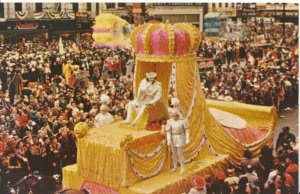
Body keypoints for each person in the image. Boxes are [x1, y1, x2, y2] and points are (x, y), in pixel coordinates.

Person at [165, 109, 189, 174]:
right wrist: (169, 140)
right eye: (173, 116)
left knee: (180, 153)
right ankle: (175, 166)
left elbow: (186, 130)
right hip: (173, 138)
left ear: (178, 115)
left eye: (176, 116)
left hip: (180, 138)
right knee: (174, 154)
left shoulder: (182, 121)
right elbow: (168, 132)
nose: (175, 117)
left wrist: (187, 138)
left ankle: (182, 167)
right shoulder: (169, 122)